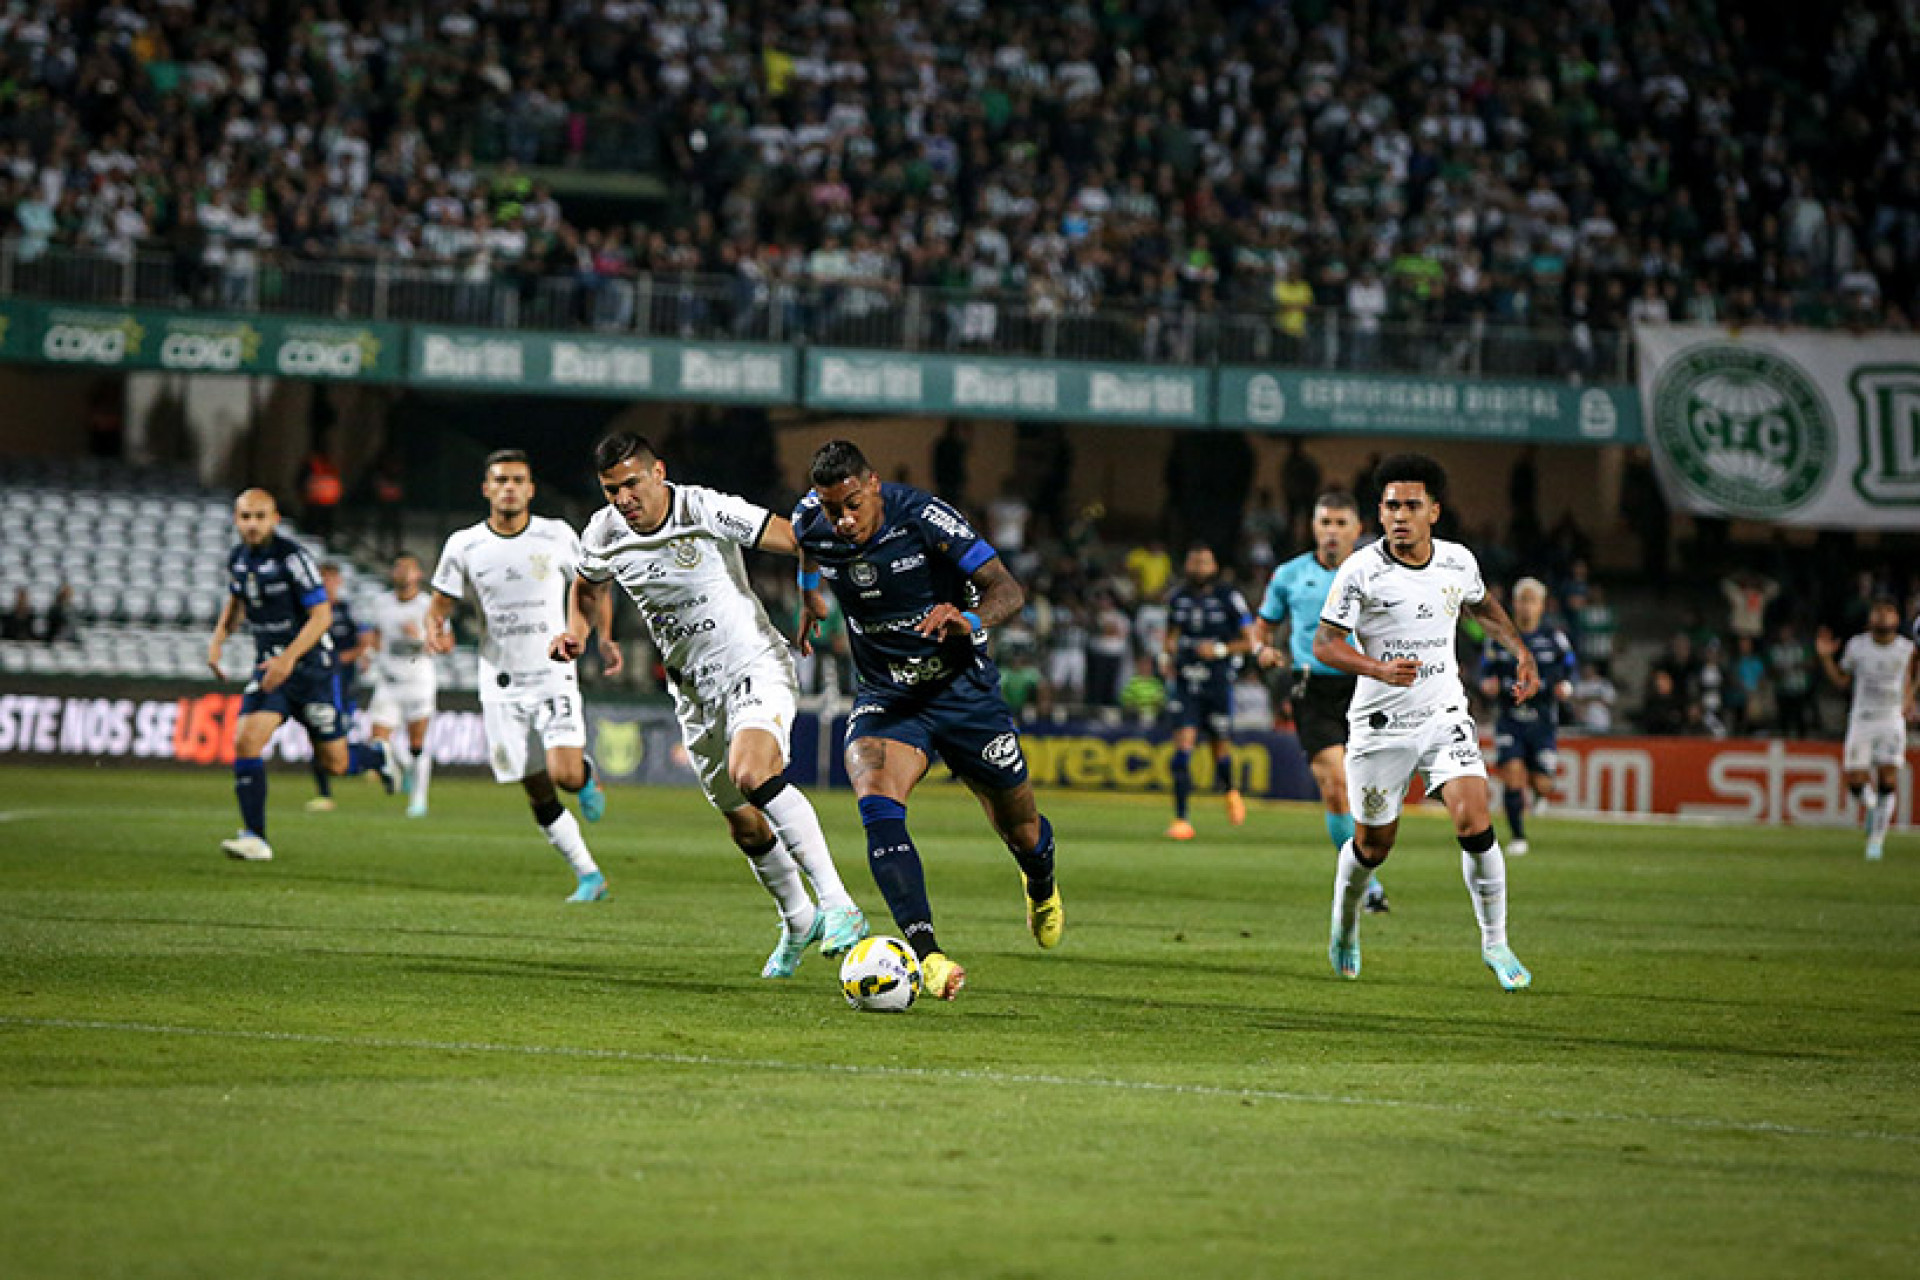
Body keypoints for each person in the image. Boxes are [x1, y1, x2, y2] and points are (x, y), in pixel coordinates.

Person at [553, 432, 869, 977]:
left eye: (631, 484)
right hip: (693, 694)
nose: (623, 499)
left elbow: (798, 535)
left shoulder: (705, 507)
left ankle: (839, 903)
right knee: (745, 825)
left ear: (658, 474)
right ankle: (797, 919)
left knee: (753, 772)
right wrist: (576, 631)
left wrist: (811, 589)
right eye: (611, 490)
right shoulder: (603, 532)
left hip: (753, 665)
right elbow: (588, 585)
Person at [793, 439, 1063, 1001]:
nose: (841, 521)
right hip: (888, 697)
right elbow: (805, 546)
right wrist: (811, 596)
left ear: (872, 486)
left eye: (851, 505)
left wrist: (968, 618)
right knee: (875, 797)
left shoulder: (926, 517)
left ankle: (1040, 882)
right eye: (830, 507)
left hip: (964, 693)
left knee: (1023, 831)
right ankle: (928, 953)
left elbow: (1007, 590)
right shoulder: (811, 520)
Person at [1312, 453, 1539, 991]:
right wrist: (1378, 668)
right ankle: (1345, 928)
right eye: (1391, 505)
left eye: (1412, 505)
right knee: (1373, 846)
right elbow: (1326, 644)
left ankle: (1496, 941)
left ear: (1434, 511)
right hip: (1379, 725)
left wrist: (1521, 652)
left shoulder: (1458, 562)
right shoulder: (1360, 570)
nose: (1399, 515)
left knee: (1475, 823)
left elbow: (1482, 608)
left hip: (1444, 717)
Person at [425, 450, 613, 902]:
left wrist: (603, 637)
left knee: (564, 775)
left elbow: (592, 587)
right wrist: (437, 630)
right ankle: (589, 875)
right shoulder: (464, 545)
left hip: (553, 672)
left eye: (518, 480)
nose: (509, 487)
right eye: (500, 480)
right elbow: (439, 604)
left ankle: (585, 777)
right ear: (486, 489)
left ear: (530, 489)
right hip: (500, 681)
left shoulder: (557, 535)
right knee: (535, 787)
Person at [206, 490, 404, 862]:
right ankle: (255, 837)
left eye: (259, 516)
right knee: (246, 742)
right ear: (236, 519)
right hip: (270, 670)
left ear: (275, 519)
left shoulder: (293, 558)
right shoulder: (238, 560)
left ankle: (376, 756)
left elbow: (321, 617)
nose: (251, 524)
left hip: (312, 670)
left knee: (336, 762)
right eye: (245, 517)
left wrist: (289, 659)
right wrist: (218, 641)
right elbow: (236, 603)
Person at [1253, 490, 1389, 912]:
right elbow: (1262, 628)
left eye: (1340, 524)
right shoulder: (1289, 575)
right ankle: (1366, 884)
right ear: (1313, 527)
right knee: (1335, 787)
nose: (1331, 532)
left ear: (1357, 530)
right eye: (1324, 523)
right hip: (1311, 689)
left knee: (1370, 794)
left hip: (1364, 687)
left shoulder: (1379, 574)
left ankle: (1362, 868)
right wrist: (1262, 650)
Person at [1159, 543, 1256, 840]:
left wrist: (1219, 649)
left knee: (1219, 749)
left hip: (1217, 681)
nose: (1198, 567)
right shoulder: (1178, 598)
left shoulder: (1229, 597)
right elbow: (1171, 636)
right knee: (1182, 750)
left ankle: (1230, 791)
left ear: (1213, 567)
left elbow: (1250, 641)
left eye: (1204, 562)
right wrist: (1166, 657)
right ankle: (1181, 818)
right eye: (1193, 562)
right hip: (1187, 682)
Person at [1479, 578, 1576, 856]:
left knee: (1542, 781)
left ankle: (1540, 791)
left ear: (1542, 606)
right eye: (1522, 600)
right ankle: (1518, 837)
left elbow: (1570, 667)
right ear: (1514, 603)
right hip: (1509, 717)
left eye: (1532, 601)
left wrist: (1565, 686)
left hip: (1543, 720)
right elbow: (1485, 670)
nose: (1526, 606)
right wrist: (1488, 683)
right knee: (1512, 774)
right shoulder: (1501, 637)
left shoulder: (1554, 638)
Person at [1815, 597, 1918, 861]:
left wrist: (1908, 700)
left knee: (1887, 780)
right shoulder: (1857, 646)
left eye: (1889, 611)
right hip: (1861, 719)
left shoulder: (1906, 649)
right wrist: (1826, 658)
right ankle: (1871, 807)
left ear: (1896, 619)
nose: (1883, 616)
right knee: (1855, 779)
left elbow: (1914, 676)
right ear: (1870, 618)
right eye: (1878, 611)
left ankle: (1876, 842)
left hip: (1890, 720)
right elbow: (1841, 681)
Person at [365, 552, 440, 819]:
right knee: (378, 741)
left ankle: (418, 800)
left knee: (416, 743)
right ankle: (404, 769)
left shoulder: (428, 606)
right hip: (388, 680)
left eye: (408, 568)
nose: (402, 573)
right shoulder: (381, 603)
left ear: (418, 574)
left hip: (418, 681)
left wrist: (420, 636)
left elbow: (446, 643)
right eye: (398, 568)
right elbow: (375, 635)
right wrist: (368, 654)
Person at [306, 562, 374, 812]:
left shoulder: (349, 611)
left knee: (337, 739)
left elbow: (366, 640)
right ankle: (324, 794)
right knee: (316, 736)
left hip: (342, 684)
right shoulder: (308, 609)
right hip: (315, 681)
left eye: (330, 578)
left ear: (339, 582)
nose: (326, 583)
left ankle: (375, 759)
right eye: (322, 578)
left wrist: (350, 656)